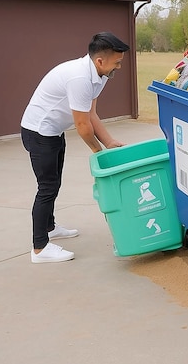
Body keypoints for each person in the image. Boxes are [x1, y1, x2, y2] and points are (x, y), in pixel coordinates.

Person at [21, 32, 130, 263]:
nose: (119, 67)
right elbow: (82, 126)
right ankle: (39, 248)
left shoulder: (98, 76)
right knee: (47, 187)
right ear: (100, 60)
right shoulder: (80, 78)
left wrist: (109, 141)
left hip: (52, 131)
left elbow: (91, 115)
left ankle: (49, 227)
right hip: (39, 132)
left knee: (53, 182)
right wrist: (98, 152)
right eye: (117, 62)